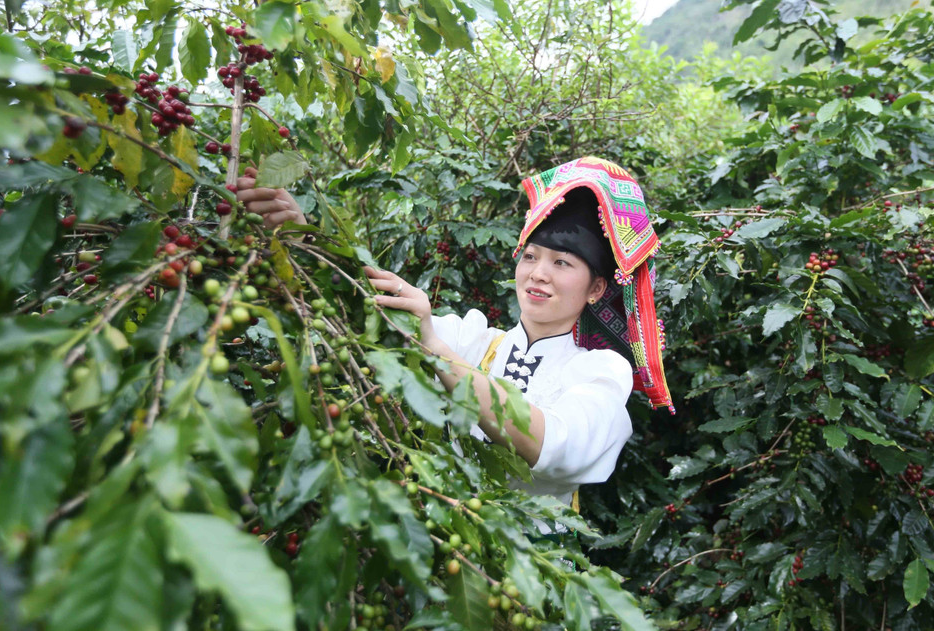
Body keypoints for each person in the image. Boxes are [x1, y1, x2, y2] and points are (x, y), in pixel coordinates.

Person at [238, 156, 673, 510]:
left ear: (597, 287)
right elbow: (367, 315)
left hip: (534, 583)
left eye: (562, 263)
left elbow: (552, 445)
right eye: (531, 257)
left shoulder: (599, 371)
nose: (538, 274)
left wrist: (433, 346)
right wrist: (304, 238)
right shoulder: (476, 340)